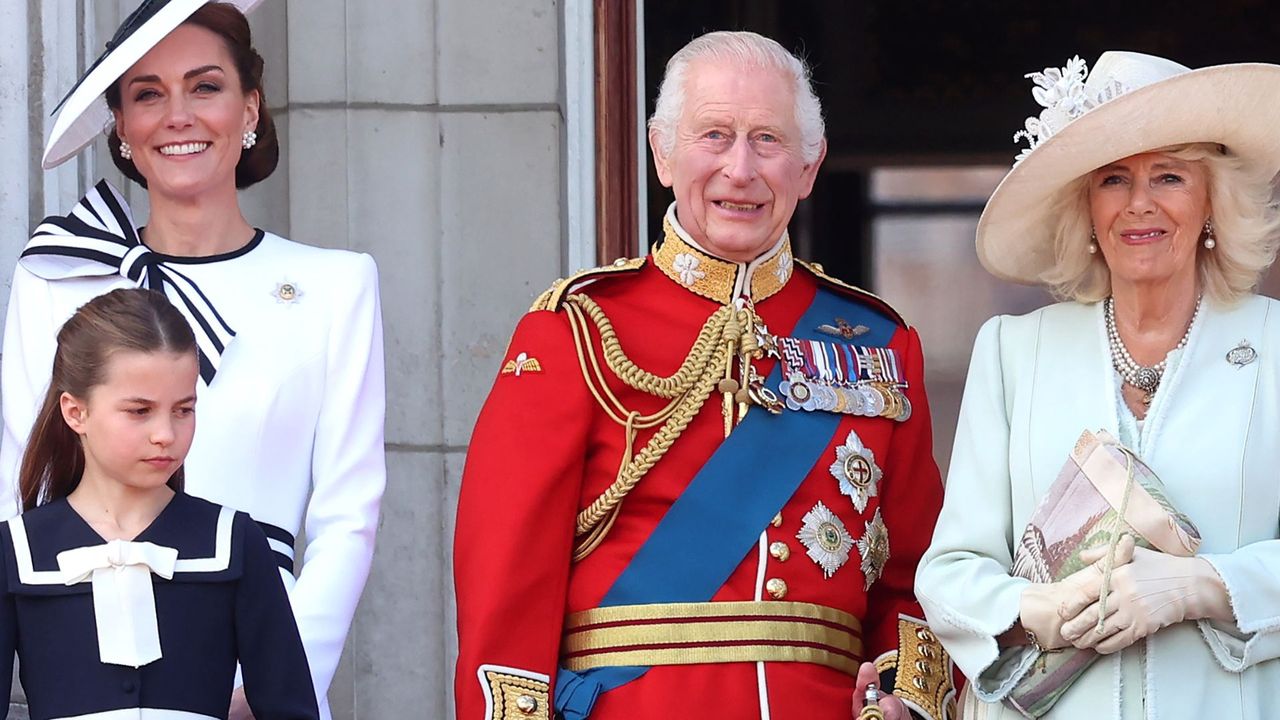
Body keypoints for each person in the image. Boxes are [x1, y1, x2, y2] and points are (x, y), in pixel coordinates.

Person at [454, 31, 956, 720]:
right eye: (714, 135)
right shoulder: (577, 329)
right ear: (663, 153)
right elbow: (505, 587)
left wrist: (907, 702)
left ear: (811, 167)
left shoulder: (880, 344)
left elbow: (917, 579)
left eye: (767, 141)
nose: (740, 170)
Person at [1, 3, 386, 718]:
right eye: (148, 94)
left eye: (205, 87)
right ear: (121, 125)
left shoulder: (337, 285)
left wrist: (270, 680)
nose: (177, 115)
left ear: (249, 109)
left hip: (259, 668)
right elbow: (20, 485)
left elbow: (348, 514)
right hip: (91, 666)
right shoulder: (55, 277)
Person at [915, 51, 1280, 718]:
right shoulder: (1013, 351)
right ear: (1084, 208)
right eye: (1113, 179)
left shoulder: (1277, 349)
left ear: (1211, 205)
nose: (1139, 204)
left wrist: (1202, 586)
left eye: (1168, 176)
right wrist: (1033, 610)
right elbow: (949, 573)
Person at [0, 287, 318, 719]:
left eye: (183, 409)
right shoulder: (16, 550)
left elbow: (291, 708)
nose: (165, 434)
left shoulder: (234, 542)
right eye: (139, 411)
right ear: (75, 412)